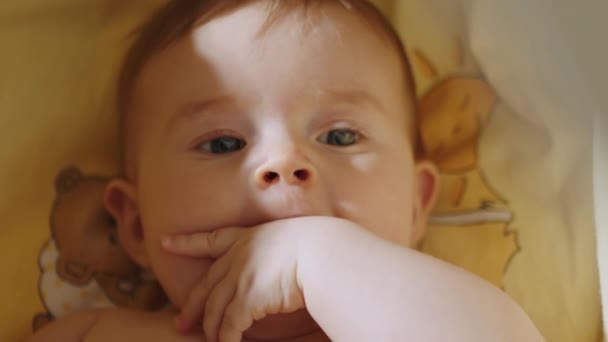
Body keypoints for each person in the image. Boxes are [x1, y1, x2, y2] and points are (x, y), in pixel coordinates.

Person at [28, 0, 543, 341]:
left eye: (340, 137)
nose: (284, 162)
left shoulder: (435, 319)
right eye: (223, 142)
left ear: (416, 204)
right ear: (135, 224)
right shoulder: (99, 334)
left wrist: (320, 258)